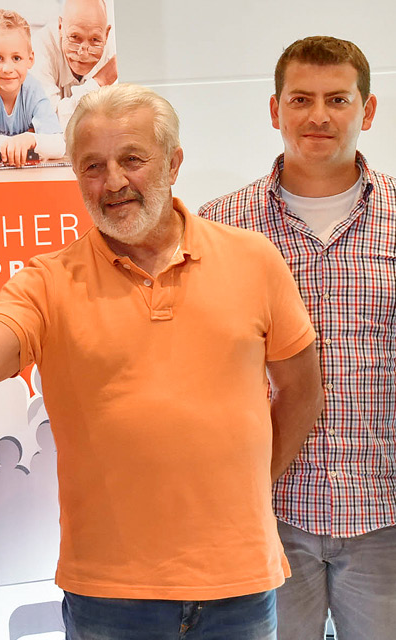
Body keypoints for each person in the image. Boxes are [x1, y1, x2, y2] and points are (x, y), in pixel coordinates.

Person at [0, 84, 324, 638]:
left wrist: (253, 484)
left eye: (132, 159)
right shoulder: (48, 283)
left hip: (240, 588)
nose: (113, 182)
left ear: (174, 163)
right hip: (111, 599)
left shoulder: (253, 261)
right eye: (93, 166)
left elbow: (300, 389)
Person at [199, 36, 396, 640]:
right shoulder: (219, 227)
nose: (318, 116)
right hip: (267, 514)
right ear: (274, 110)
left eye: (338, 99)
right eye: (301, 99)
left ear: (367, 111)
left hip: (386, 515)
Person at [0, 10, 64, 167]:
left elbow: (58, 145)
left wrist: (29, 139)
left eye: (16, 58)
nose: (7, 69)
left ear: (30, 59)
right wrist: (16, 144)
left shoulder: (35, 90)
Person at [28, 0, 117, 124]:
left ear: (106, 35)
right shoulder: (38, 50)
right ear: (60, 27)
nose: (83, 54)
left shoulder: (114, 50)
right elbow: (49, 121)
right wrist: (102, 80)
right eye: (75, 37)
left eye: (95, 40)